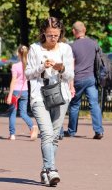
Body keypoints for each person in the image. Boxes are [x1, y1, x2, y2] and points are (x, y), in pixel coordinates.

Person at [25, 17, 74, 186]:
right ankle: (51, 168)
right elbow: (28, 73)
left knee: (53, 136)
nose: (53, 38)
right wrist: (42, 67)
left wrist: (62, 68)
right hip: (39, 95)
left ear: (60, 33)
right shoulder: (35, 49)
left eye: (56, 35)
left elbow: (70, 76)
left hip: (61, 96)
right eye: (49, 35)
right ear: (43, 34)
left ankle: (45, 171)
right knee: (46, 133)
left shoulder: (66, 49)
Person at [64, 21, 104, 139]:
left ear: (73, 31)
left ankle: (71, 131)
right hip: (91, 79)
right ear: (85, 30)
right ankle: (98, 130)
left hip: (78, 79)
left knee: (75, 105)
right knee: (94, 104)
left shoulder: (72, 47)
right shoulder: (94, 44)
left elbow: (71, 65)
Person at [6, 45, 38, 141]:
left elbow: (13, 81)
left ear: (18, 53)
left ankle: (12, 134)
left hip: (15, 91)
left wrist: (10, 95)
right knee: (23, 113)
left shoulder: (15, 66)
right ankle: (32, 126)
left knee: (12, 113)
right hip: (25, 91)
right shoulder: (29, 65)